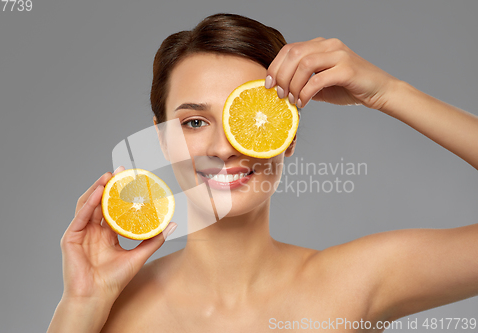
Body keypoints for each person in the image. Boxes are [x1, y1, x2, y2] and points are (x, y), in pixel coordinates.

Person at [48, 13, 478, 332]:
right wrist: (81, 304)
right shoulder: (109, 309)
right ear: (163, 143)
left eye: (249, 119)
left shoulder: (356, 282)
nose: (222, 147)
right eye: (194, 122)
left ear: (285, 135)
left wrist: (389, 92)